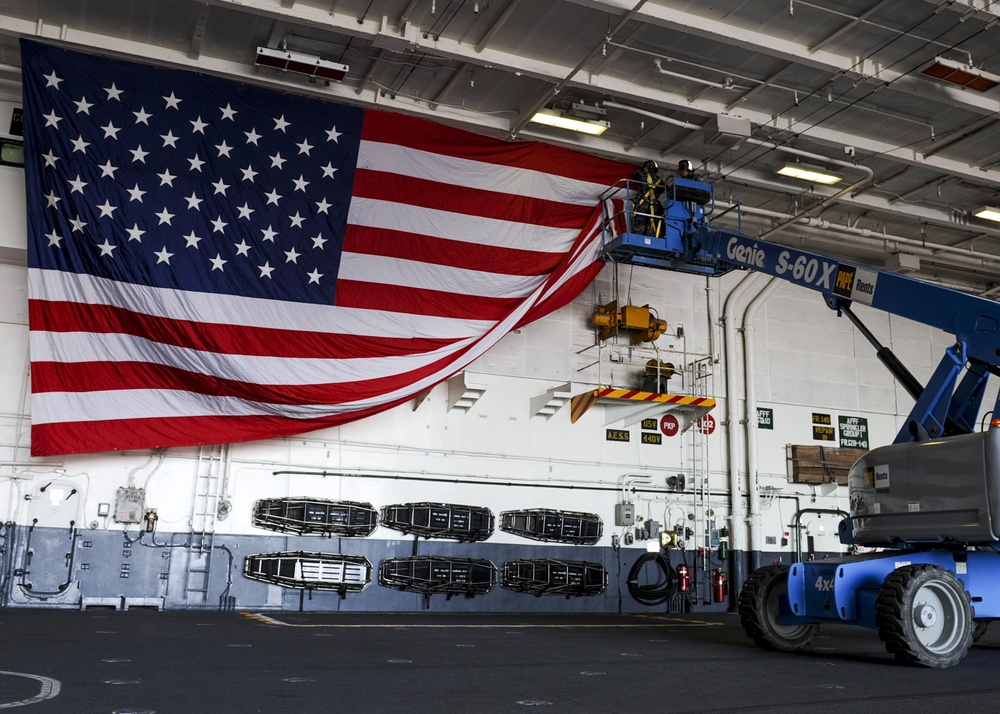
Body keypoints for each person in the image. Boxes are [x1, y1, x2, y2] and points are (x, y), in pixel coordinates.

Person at [631, 160, 665, 237]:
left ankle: (637, 237)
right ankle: (650, 238)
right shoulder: (659, 180)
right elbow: (661, 189)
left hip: (643, 203)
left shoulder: (641, 175)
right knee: (652, 222)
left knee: (640, 221)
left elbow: (634, 174)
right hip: (653, 205)